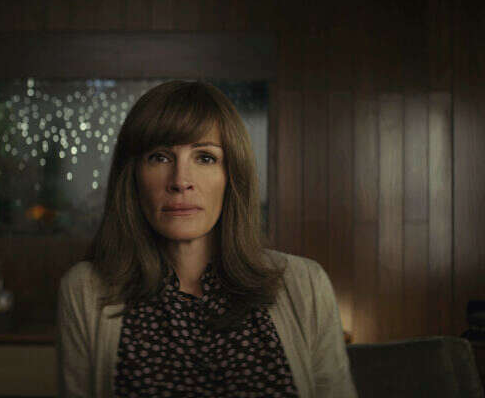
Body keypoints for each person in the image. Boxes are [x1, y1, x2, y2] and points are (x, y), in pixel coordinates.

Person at [57, 80, 357, 397]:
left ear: (232, 175)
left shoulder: (306, 285)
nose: (180, 181)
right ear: (132, 176)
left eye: (205, 158)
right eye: (159, 157)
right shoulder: (85, 290)